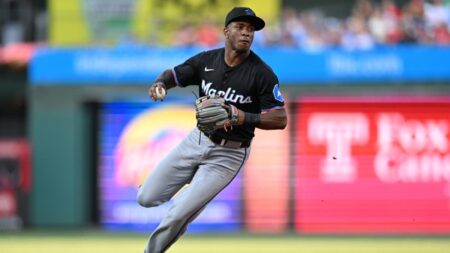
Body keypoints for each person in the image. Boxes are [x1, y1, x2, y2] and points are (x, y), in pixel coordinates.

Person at [137, 6, 287, 253]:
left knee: (178, 214)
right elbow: (173, 75)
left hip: (229, 154)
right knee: (146, 198)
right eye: (240, 27)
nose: (246, 33)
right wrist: (160, 84)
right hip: (197, 139)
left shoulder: (262, 73)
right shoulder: (206, 60)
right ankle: (185, 197)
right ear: (226, 31)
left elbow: (280, 118)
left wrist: (242, 117)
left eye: (251, 29)